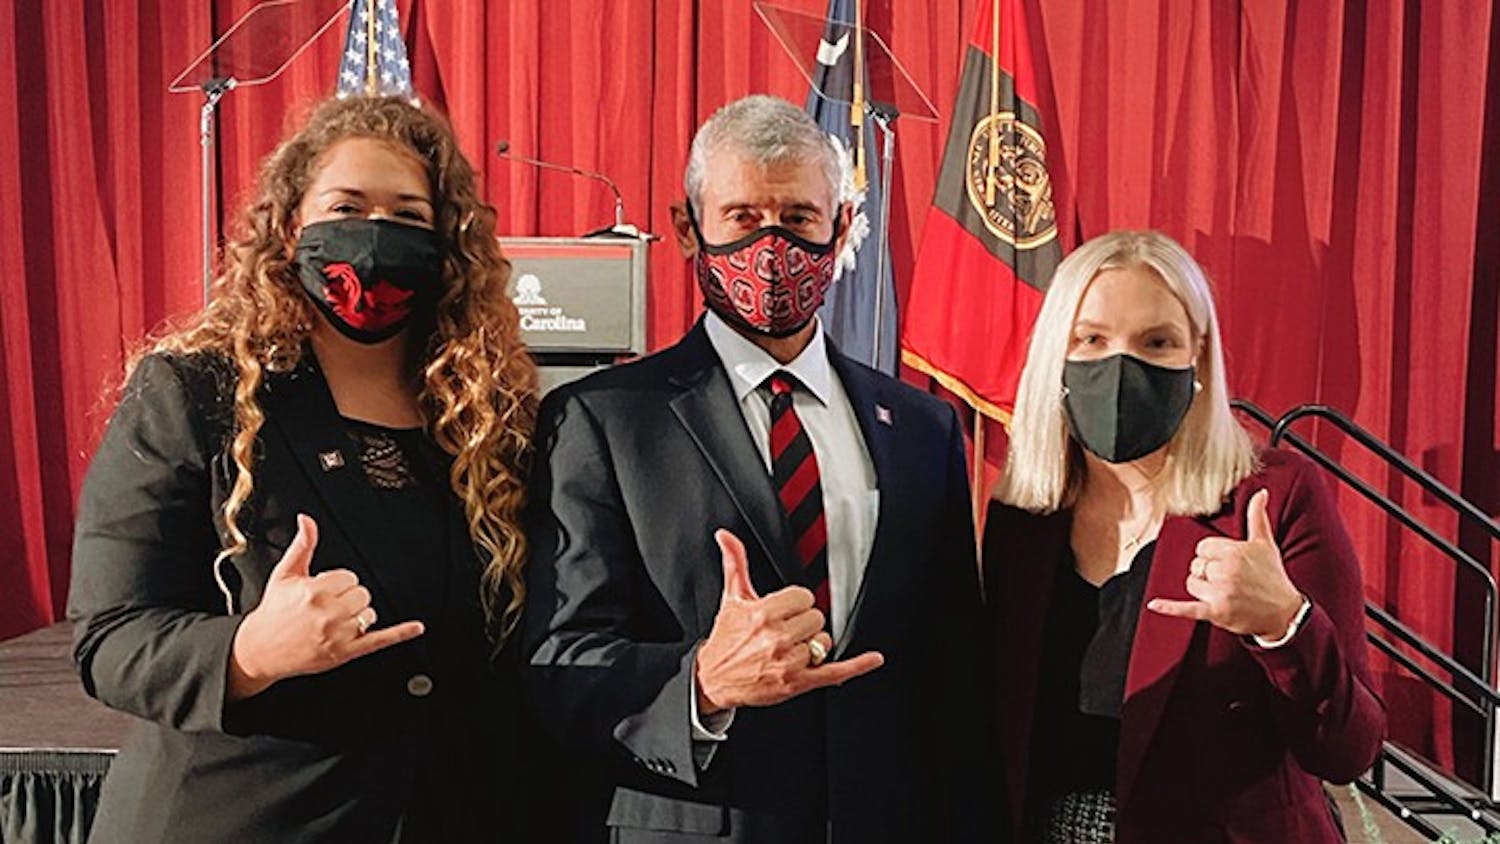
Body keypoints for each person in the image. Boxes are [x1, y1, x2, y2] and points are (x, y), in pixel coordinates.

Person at [67, 95, 553, 842]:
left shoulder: (489, 418)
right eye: (347, 205)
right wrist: (248, 652)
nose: (375, 235)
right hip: (237, 819)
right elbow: (110, 638)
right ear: (293, 228)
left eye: (409, 217)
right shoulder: (196, 391)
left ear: (447, 245)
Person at [522, 95, 989, 843]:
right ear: (688, 228)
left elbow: (956, 679)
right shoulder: (601, 420)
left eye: (799, 219)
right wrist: (702, 685)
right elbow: (559, 661)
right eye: (742, 217)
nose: (772, 247)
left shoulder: (924, 430)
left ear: (840, 231)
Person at [985, 229, 1386, 843]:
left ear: (1197, 359)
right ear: (1054, 358)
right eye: (1091, 339)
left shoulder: (1274, 496)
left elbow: (1348, 750)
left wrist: (1284, 625)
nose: (1121, 366)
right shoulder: (1022, 518)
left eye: (1157, 342)